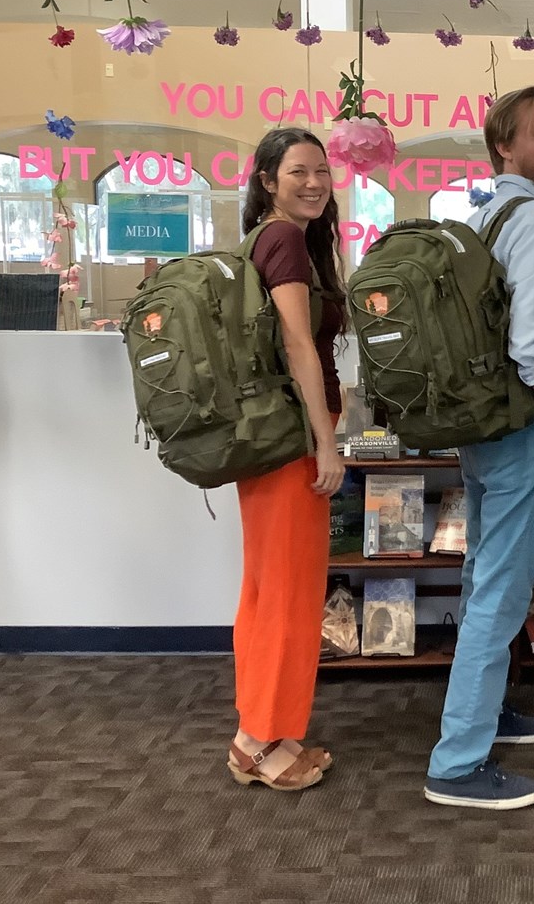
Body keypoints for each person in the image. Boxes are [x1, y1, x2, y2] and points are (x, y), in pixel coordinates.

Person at [423, 86, 534, 810]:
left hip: (480, 429)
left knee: (483, 575)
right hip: (522, 428)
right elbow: (531, 348)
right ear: (504, 148)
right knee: (500, 591)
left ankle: (482, 718)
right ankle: (458, 761)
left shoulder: (484, 214)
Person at [225, 127, 349, 791]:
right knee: (288, 591)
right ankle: (258, 742)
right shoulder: (285, 241)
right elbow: (301, 347)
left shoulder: (266, 240)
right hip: (292, 438)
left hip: (271, 437)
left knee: (269, 586)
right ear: (267, 179)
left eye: (322, 170)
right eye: (298, 170)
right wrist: (325, 442)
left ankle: (265, 727)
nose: (314, 181)